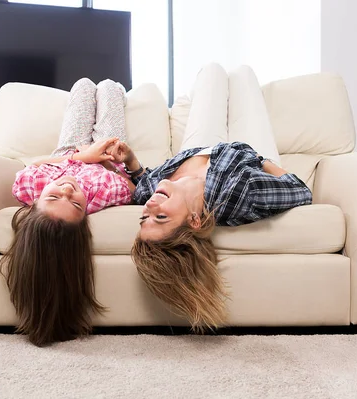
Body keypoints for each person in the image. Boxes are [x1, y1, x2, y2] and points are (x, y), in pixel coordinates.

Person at [128, 64, 313, 331]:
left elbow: (141, 185)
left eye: (144, 216)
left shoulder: (149, 190)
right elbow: (300, 190)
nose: (151, 205)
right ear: (193, 220)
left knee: (211, 72)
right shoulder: (239, 197)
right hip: (248, 148)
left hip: (198, 146)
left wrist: (133, 164)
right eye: (161, 216)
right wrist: (262, 162)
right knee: (243, 74)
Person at [0, 78, 141, 346]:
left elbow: (37, 163)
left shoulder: (28, 187)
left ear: (34, 205)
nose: (67, 188)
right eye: (76, 203)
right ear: (85, 214)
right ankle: (113, 92)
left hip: (68, 153)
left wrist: (79, 158)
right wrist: (104, 160)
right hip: (105, 159)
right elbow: (133, 188)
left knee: (84, 86)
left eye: (53, 196)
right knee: (110, 87)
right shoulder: (103, 192)